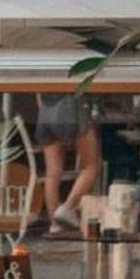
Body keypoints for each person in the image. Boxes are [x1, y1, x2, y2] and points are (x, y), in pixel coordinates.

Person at [34, 92, 100, 237]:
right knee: (91, 166)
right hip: (72, 110)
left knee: (52, 173)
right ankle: (68, 206)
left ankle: (55, 224)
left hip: (45, 114)